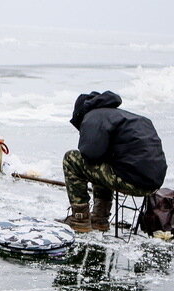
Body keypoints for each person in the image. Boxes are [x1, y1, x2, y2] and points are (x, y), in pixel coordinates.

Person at [61, 91, 166, 233]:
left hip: (132, 181)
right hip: (153, 183)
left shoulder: (93, 117)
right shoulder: (121, 116)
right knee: (103, 162)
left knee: (71, 159)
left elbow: (90, 155)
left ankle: (80, 219)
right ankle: (99, 219)